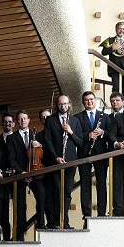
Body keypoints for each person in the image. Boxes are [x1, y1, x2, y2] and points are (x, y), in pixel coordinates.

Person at [42, 94, 83, 229]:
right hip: (55, 162)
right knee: (56, 191)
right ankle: (54, 221)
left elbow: (80, 142)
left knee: (67, 192)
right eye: (60, 104)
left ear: (69, 104)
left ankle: (64, 221)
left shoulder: (75, 121)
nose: (63, 106)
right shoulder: (50, 120)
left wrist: (70, 132)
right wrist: (55, 157)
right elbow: (48, 141)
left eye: (65, 104)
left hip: (70, 162)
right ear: (57, 105)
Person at [5, 109, 46, 239]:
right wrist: (22, 173)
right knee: (20, 205)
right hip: (21, 174)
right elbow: (11, 159)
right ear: (17, 121)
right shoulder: (11, 138)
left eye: (25, 118)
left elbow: (44, 153)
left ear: (29, 120)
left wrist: (40, 145)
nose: (23, 120)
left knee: (42, 195)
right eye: (20, 118)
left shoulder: (37, 135)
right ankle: (20, 234)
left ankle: (41, 224)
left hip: (36, 172)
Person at [76, 91, 111, 220]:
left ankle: (102, 213)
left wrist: (102, 132)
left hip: (100, 153)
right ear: (83, 102)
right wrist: (88, 136)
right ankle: (86, 214)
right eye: (86, 100)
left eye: (91, 99)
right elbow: (76, 136)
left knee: (101, 183)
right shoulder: (77, 117)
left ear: (95, 100)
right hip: (84, 153)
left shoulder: (105, 117)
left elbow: (110, 134)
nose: (89, 102)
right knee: (85, 184)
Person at [100, 21, 124, 94]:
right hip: (114, 68)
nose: (122, 30)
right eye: (120, 28)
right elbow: (103, 52)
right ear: (116, 29)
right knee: (116, 88)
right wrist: (112, 48)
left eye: (123, 29)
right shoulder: (110, 40)